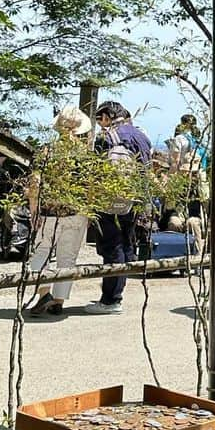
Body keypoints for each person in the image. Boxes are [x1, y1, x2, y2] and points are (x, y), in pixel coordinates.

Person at [24, 107, 94, 318]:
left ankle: (43, 291)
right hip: (76, 212)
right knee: (67, 258)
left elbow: (35, 183)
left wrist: (34, 209)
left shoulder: (47, 151)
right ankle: (58, 302)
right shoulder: (86, 156)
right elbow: (91, 188)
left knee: (41, 252)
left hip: (49, 212)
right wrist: (89, 213)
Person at [87, 101, 152, 315]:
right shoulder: (142, 136)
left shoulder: (108, 137)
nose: (100, 125)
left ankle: (110, 300)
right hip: (135, 199)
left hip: (110, 199)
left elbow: (96, 171)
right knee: (125, 245)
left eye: (100, 120)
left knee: (112, 246)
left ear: (107, 117)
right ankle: (116, 296)